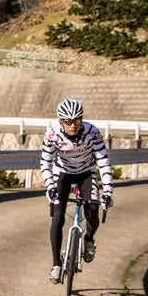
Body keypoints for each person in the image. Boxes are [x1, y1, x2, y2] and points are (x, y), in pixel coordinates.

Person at [39, 98, 113, 282]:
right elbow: (45, 162)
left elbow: (103, 161)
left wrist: (109, 191)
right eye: (68, 122)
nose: (73, 125)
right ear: (60, 121)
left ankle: (88, 239)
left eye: (77, 121)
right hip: (62, 173)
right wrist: (50, 186)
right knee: (58, 217)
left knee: (93, 210)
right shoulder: (52, 134)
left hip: (86, 172)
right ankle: (56, 264)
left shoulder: (92, 132)